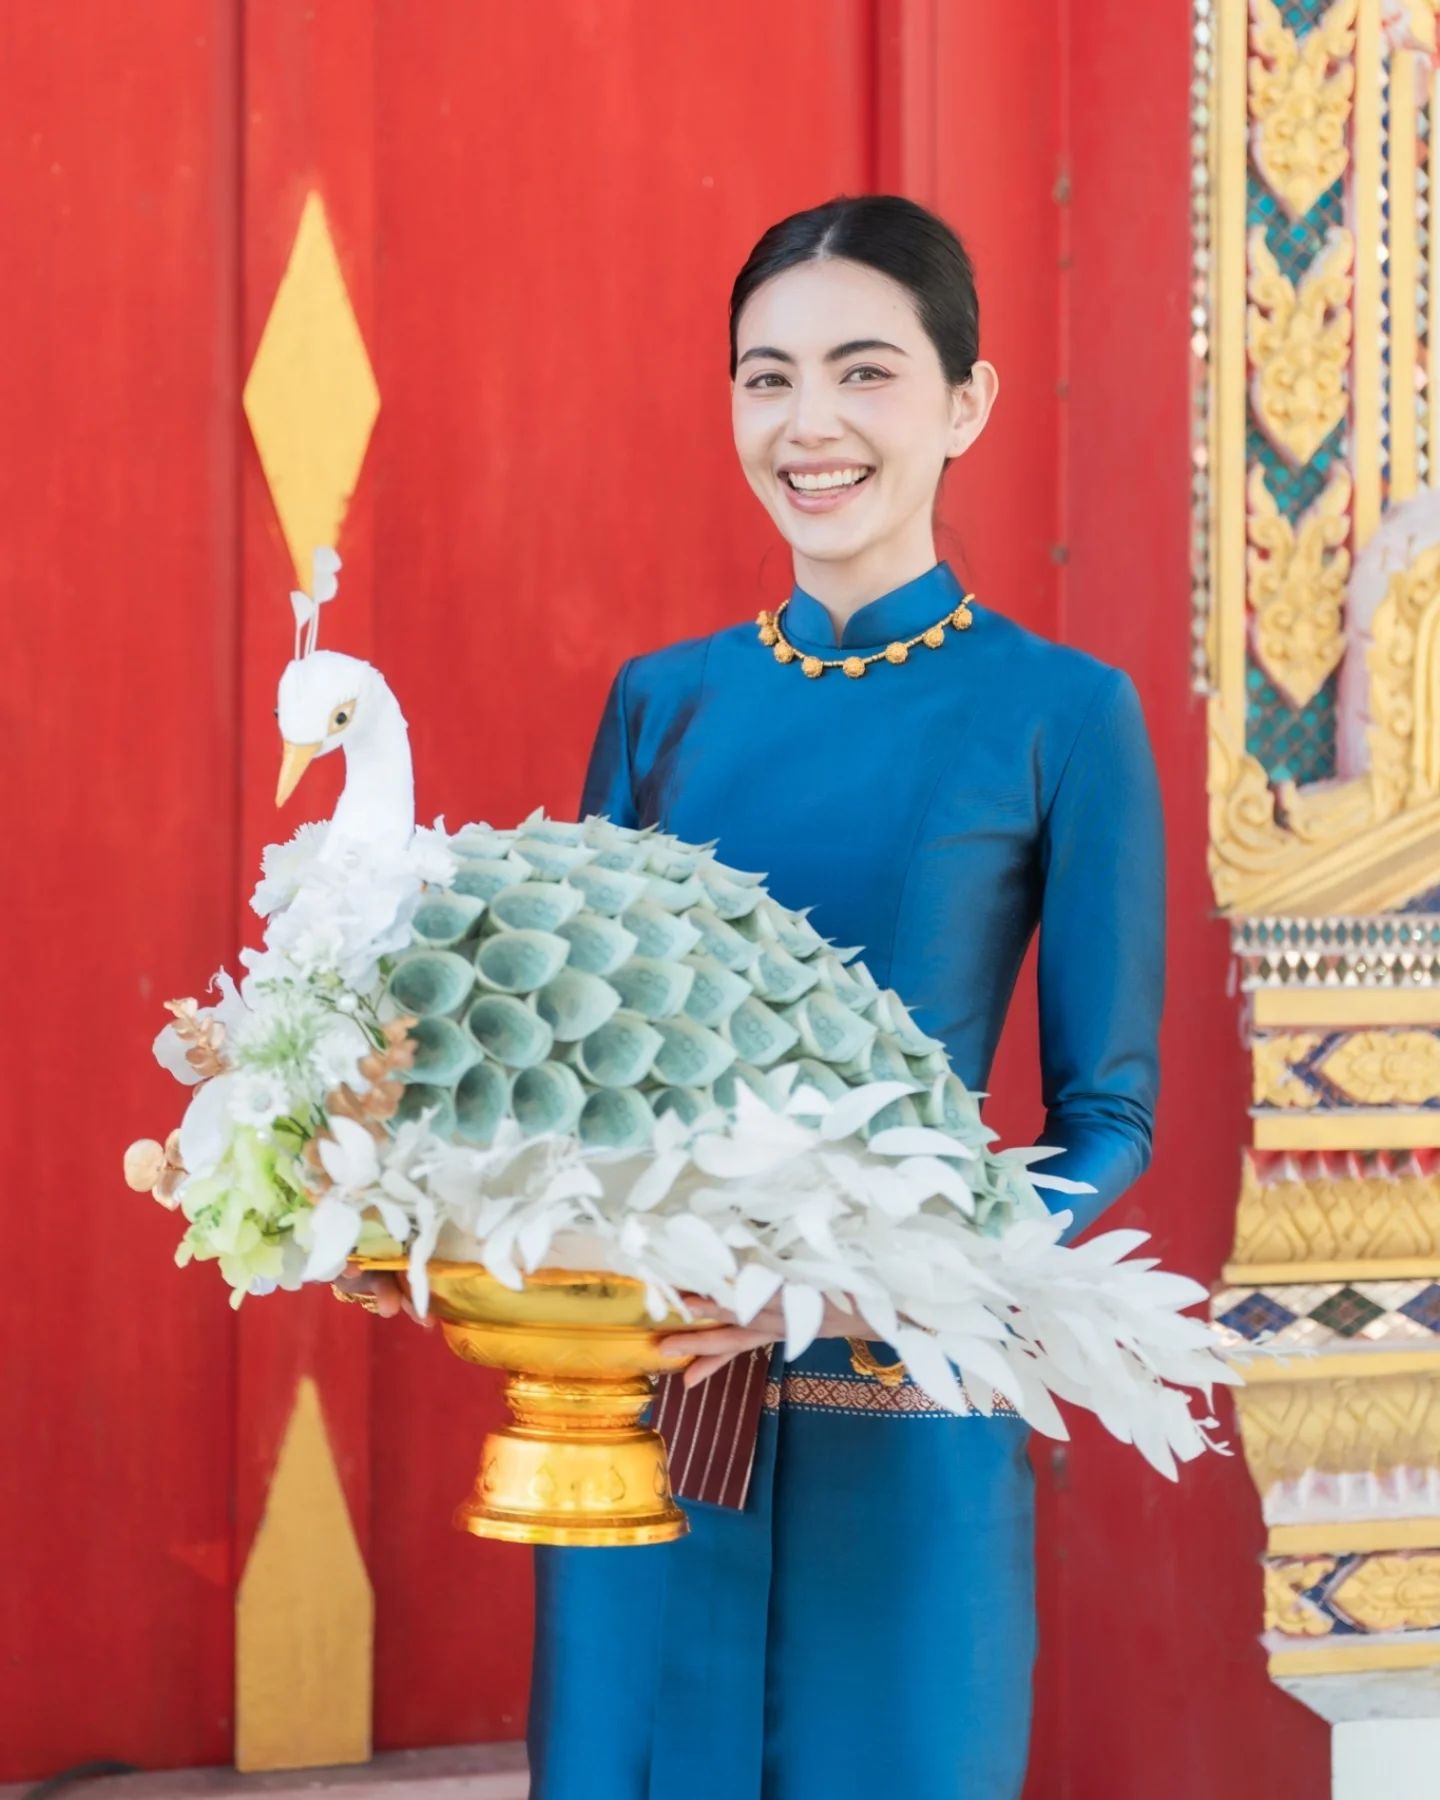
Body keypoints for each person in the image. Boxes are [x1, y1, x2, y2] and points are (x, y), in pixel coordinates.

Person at [341, 192, 1166, 1798]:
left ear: (966, 403)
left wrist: (882, 1284)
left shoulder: (1062, 715)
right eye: (767, 377)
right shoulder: (664, 704)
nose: (810, 425)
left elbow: (1108, 1118)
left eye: (866, 373)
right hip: (647, 1411)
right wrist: (425, 1217)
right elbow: (562, 1071)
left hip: (899, 1412)